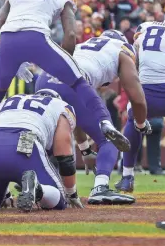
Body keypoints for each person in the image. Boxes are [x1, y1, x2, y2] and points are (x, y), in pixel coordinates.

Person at [0, 0, 130, 161]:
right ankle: (105, 122)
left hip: (7, 40)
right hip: (36, 36)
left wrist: (13, 58)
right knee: (79, 81)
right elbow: (71, 34)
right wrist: (67, 66)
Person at [36, 30, 149, 204]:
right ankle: (101, 187)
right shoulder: (121, 49)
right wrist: (140, 123)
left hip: (44, 79)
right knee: (110, 138)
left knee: (44, 137)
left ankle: (33, 180)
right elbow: (136, 96)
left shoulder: (84, 45)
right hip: (76, 82)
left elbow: (76, 117)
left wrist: (85, 150)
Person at [0, 90, 83, 212]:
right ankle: (37, 188)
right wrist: (71, 193)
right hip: (25, 137)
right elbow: (64, 156)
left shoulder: (9, 100)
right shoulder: (60, 106)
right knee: (59, 198)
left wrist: (6, 193)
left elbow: (2, 140)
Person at [115, 10, 165, 193]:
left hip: (144, 91)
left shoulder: (146, 27)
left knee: (134, 123)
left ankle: (127, 176)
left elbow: (135, 59)